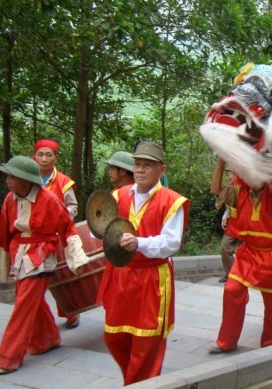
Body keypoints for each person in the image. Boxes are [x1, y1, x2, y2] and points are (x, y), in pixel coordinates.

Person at [97, 141, 189, 385]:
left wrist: (140, 243)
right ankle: (135, 382)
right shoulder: (117, 196)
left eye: (147, 165)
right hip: (121, 275)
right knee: (113, 336)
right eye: (137, 164)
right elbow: (104, 226)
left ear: (162, 169)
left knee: (146, 343)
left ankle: (138, 383)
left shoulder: (173, 201)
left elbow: (171, 243)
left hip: (152, 278)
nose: (140, 170)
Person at [0, 156, 87, 374]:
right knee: (32, 302)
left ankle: (8, 357)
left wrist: (76, 257)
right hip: (19, 254)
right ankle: (46, 339)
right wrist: (5, 258)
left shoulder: (47, 199)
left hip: (41, 256)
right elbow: (4, 230)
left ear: (26, 180)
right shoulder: (10, 199)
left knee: (23, 306)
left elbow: (67, 226)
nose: (8, 180)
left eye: (12, 176)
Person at [208, 158, 272, 353]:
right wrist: (221, 162)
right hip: (248, 253)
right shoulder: (239, 192)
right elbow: (216, 190)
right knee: (231, 290)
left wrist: (270, 181)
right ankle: (226, 341)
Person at [33, 138, 80, 329]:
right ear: (33, 156)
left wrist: (58, 216)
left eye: (49, 154)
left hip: (59, 236)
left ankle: (70, 313)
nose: (44, 159)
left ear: (56, 157)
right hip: (35, 238)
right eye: (40, 154)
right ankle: (40, 321)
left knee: (62, 275)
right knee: (35, 279)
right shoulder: (27, 179)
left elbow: (73, 207)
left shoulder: (63, 181)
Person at [212, 167, 242, 283]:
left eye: (229, 175)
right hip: (232, 223)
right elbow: (230, 206)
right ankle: (230, 273)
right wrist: (225, 216)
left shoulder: (245, 189)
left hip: (244, 224)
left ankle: (242, 274)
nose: (227, 177)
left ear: (236, 175)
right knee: (225, 247)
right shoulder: (229, 189)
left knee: (243, 251)